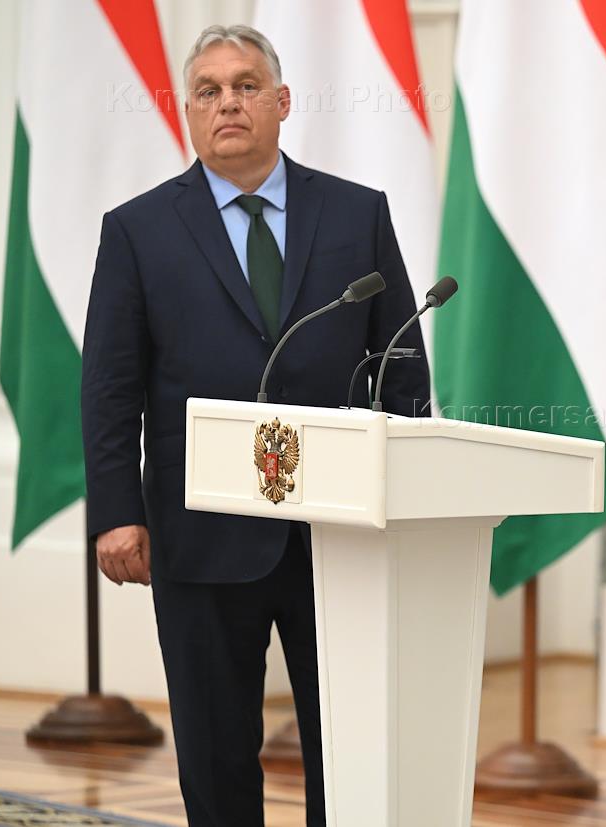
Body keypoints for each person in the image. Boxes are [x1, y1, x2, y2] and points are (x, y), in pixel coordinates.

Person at [80, 24, 429, 826]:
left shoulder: (357, 214)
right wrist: (117, 511)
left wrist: (408, 494)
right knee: (215, 750)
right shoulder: (138, 230)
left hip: (339, 531)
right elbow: (110, 386)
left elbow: (401, 365)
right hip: (200, 530)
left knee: (347, 745)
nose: (227, 103)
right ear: (189, 111)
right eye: (208, 91)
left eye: (245, 86)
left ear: (282, 101)